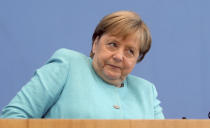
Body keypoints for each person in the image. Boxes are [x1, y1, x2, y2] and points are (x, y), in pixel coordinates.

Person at [0, 10, 164, 119]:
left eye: (130, 51)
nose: (119, 56)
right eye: (113, 44)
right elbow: (13, 117)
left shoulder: (147, 92)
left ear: (137, 58)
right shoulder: (68, 65)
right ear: (95, 44)